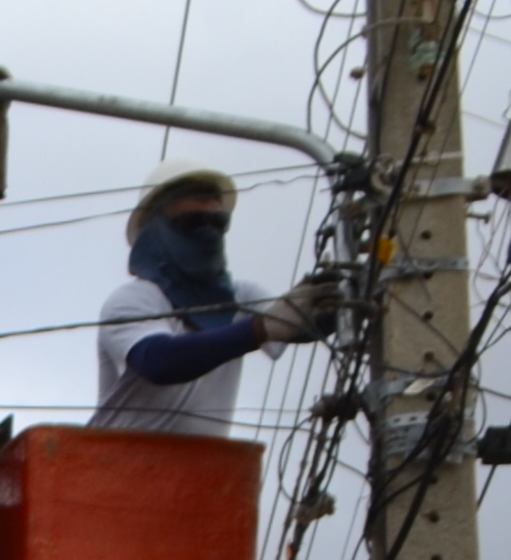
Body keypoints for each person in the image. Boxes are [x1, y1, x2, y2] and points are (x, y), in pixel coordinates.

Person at [94, 160, 343, 436]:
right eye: (193, 222)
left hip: (201, 472)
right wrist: (261, 328)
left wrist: (332, 302)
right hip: (118, 470)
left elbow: (301, 326)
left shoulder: (241, 296)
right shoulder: (134, 300)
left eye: (217, 223)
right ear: (156, 231)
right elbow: (159, 361)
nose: (208, 233)